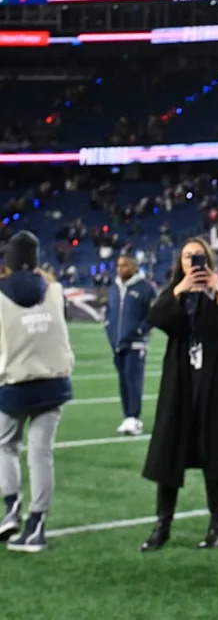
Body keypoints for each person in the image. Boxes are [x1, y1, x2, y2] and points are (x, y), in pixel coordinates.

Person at [140, 237, 218, 552]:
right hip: (180, 383)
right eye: (188, 257)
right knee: (168, 453)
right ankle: (163, 524)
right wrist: (179, 290)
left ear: (209, 260)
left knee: (214, 453)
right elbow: (156, 318)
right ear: (180, 262)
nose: (193, 263)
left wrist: (216, 291)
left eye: (198, 257)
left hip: (213, 384)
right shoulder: (175, 291)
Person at [0, 231, 74, 552]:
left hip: (14, 384)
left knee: (5, 447)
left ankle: (11, 507)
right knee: (41, 452)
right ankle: (36, 525)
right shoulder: (55, 290)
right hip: (54, 383)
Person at [104, 253, 156, 436]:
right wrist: (109, 331)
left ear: (134, 267)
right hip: (118, 344)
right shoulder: (114, 289)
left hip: (136, 344)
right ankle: (127, 416)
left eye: (125, 265)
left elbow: (152, 315)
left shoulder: (145, 288)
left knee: (133, 380)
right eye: (118, 266)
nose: (120, 269)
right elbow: (109, 314)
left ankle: (134, 417)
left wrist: (140, 331)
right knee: (123, 382)